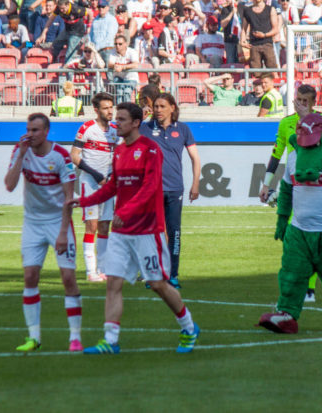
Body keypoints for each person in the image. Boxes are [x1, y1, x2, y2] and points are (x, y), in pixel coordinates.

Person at [66, 102, 200, 354]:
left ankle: (188, 327)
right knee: (113, 282)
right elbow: (112, 186)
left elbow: (150, 188)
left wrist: (124, 212)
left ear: (136, 123)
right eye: (116, 118)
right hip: (122, 233)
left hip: (147, 230)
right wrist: (83, 201)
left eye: (122, 119)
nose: (117, 123)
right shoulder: (119, 151)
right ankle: (110, 340)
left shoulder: (150, 149)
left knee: (158, 284)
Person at [258, 113, 322, 334]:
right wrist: (283, 219)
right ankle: (286, 314)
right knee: (291, 274)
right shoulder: (294, 157)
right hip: (299, 231)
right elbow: (286, 189)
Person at [4, 112, 83, 353]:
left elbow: (69, 197)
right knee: (30, 277)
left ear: (46, 132)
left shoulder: (60, 156)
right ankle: (34, 337)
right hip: (32, 223)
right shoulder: (21, 150)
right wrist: (21, 156)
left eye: (36, 130)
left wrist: (62, 233)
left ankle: (75, 337)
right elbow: (9, 185)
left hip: (58, 221)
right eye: (29, 129)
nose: (31, 134)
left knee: (68, 278)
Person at [258, 84, 322, 302]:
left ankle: (309, 287)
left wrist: (307, 118)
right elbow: (277, 154)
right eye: (298, 100)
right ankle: (295, 280)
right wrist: (266, 183)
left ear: (314, 102)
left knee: (312, 235)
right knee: (292, 236)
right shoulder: (286, 123)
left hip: (317, 183)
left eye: (305, 101)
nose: (301, 104)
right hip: (293, 185)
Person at [139, 93, 201, 289]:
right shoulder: (144, 128)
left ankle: (173, 274)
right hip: (151, 189)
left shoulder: (183, 129)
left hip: (175, 189)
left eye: (162, 106)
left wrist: (195, 183)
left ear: (172, 108)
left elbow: (195, 158)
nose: (158, 110)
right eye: (155, 106)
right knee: (152, 234)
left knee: (174, 233)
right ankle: (153, 274)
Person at [70, 92, 121, 282]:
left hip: (108, 184)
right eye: (106, 108)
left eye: (111, 107)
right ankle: (91, 271)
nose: (110, 111)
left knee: (105, 226)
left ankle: (103, 269)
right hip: (90, 182)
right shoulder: (87, 128)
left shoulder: (116, 130)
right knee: (91, 225)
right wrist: (96, 175)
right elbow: (74, 155)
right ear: (96, 110)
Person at [37, 0, 88, 64]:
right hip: (67, 30)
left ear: (67, 5)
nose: (61, 10)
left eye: (63, 9)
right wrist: (43, 33)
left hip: (77, 32)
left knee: (69, 54)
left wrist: (89, 27)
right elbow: (51, 19)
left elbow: (90, 12)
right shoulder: (58, 9)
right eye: (60, 8)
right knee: (55, 45)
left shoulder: (76, 9)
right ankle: (54, 63)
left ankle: (68, 72)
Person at [240, 0, 279, 69]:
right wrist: (242, 41)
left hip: (267, 44)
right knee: (256, 73)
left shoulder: (270, 9)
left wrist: (264, 35)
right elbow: (243, 29)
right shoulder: (247, 10)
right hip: (254, 45)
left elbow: (275, 29)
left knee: (272, 71)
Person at [108, 34, 140, 104]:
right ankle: (120, 110)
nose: (117, 46)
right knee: (119, 93)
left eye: (120, 44)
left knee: (126, 92)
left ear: (125, 44)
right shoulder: (113, 51)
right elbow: (109, 64)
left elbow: (136, 64)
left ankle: (127, 111)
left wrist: (123, 67)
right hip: (119, 77)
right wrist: (115, 66)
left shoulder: (132, 51)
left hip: (131, 78)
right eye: (116, 44)